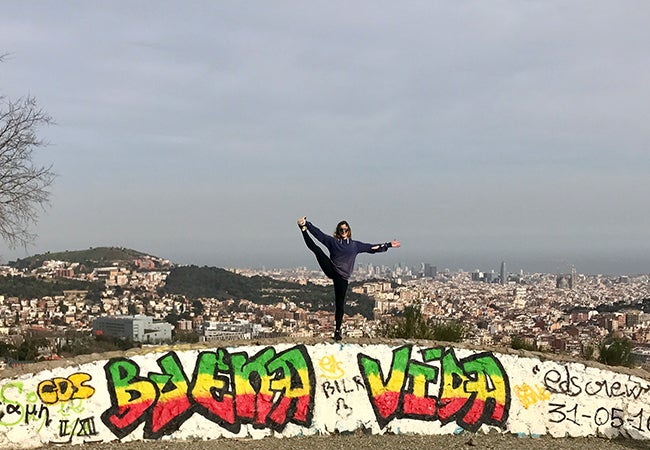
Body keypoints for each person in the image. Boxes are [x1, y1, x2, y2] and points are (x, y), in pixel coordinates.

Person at [297, 216, 400, 341]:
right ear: (338, 231)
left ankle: (337, 330)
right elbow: (319, 235)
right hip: (331, 269)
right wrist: (307, 224)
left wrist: (388, 245)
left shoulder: (354, 245)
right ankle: (303, 230)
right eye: (341, 230)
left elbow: (371, 248)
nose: (343, 232)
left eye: (345, 230)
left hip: (342, 278)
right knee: (317, 250)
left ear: (349, 231)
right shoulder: (333, 242)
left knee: (340, 304)